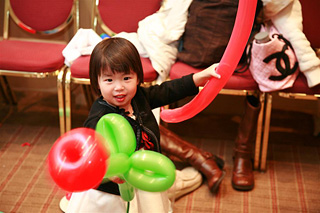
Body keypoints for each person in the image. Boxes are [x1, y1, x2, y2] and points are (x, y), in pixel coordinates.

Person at [65, 37, 224, 212]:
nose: (119, 87)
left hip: (145, 173)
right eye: (109, 80)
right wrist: (110, 171)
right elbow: (90, 152)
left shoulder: (140, 97)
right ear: (97, 82)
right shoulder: (99, 115)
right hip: (113, 190)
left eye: (126, 78)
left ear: (137, 77)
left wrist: (200, 77)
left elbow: (169, 90)